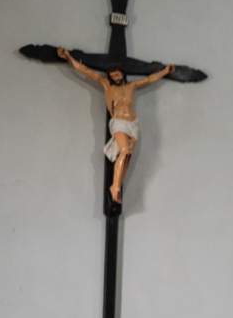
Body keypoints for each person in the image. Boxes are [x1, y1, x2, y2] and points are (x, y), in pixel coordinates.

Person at [57, 47, 175, 203]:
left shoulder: (131, 86)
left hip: (133, 123)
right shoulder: (106, 84)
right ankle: (114, 187)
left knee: (128, 156)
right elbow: (87, 71)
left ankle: (117, 186)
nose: (116, 77)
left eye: (118, 74)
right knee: (124, 151)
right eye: (113, 76)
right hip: (119, 123)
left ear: (122, 74)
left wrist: (165, 71)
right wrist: (69, 58)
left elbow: (149, 79)